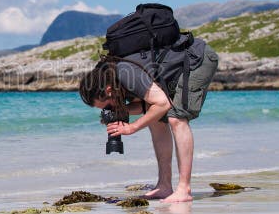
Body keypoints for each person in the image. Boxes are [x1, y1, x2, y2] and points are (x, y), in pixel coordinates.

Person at [78, 36, 218, 203]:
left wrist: (132, 127)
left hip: (197, 59)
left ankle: (184, 189)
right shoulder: (112, 77)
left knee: (176, 118)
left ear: (108, 90)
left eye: (108, 106)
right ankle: (164, 185)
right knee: (156, 120)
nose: (110, 109)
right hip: (179, 68)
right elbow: (149, 105)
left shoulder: (124, 73)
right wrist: (122, 112)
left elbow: (163, 103)